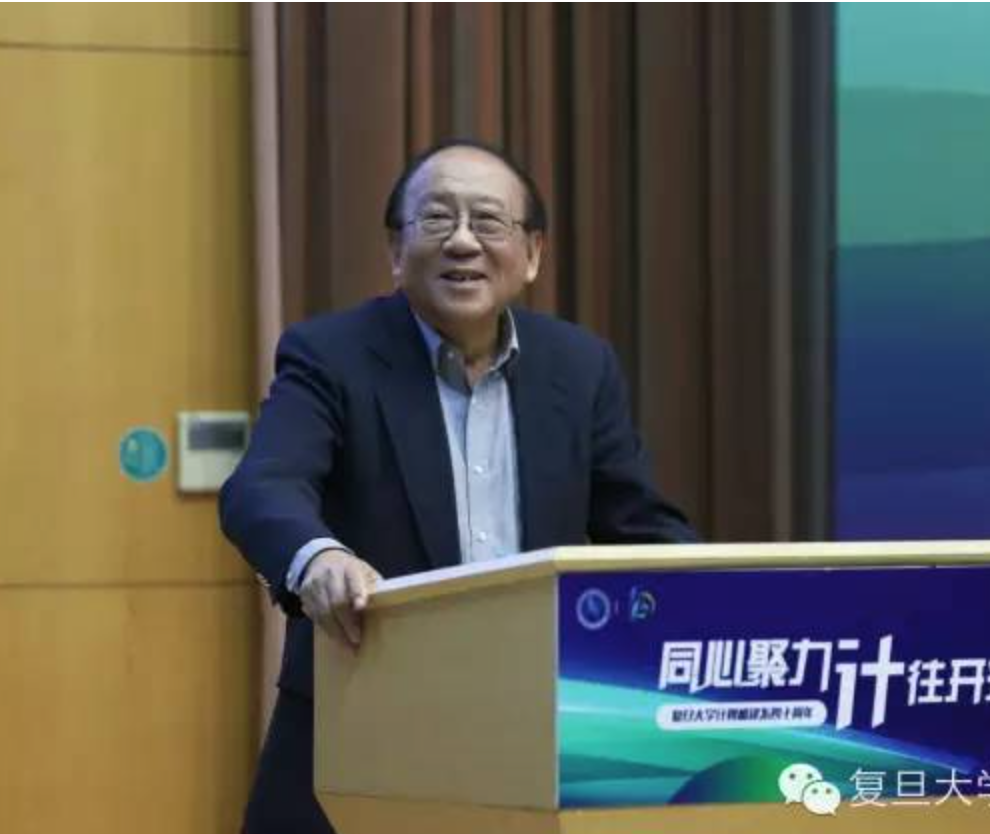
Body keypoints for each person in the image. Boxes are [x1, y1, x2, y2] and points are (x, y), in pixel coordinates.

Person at [219, 140, 697, 834]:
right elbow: (263, 486)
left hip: (536, 734)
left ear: (532, 253)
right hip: (361, 728)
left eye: (489, 221)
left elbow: (641, 528)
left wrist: (719, 603)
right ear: (396, 249)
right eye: (438, 219)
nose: (464, 241)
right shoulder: (331, 355)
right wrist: (319, 557)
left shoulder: (578, 366)